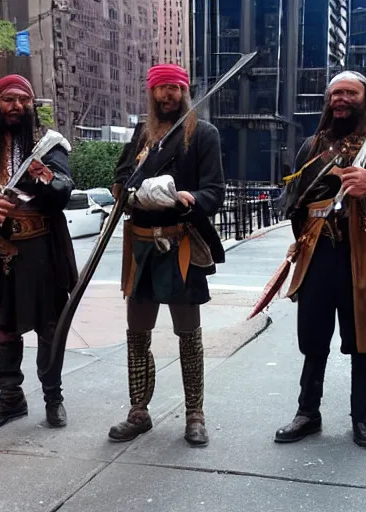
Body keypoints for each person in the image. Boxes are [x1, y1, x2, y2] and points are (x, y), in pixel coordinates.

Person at [276, 71, 366, 448]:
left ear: (364, 99)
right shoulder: (312, 145)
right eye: (335, 93)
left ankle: (361, 420)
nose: (341, 99)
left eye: (350, 92)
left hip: (359, 251)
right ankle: (307, 413)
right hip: (317, 252)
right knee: (313, 338)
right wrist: (303, 232)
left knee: (362, 340)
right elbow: (291, 200)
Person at [108, 63, 225, 447]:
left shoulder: (203, 134)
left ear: (184, 91)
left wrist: (192, 199)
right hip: (141, 246)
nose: (168, 95)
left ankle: (195, 414)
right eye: (161, 89)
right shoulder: (143, 136)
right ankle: (138, 412)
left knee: (188, 334)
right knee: (136, 333)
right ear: (152, 93)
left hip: (180, 243)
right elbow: (122, 177)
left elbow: (215, 192)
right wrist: (124, 192)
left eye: (175, 88)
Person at [0, 75, 77, 428]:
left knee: (49, 325)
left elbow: (63, 189)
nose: (17, 106)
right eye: (9, 100)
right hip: (2, 249)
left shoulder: (49, 144)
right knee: (6, 324)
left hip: (43, 248)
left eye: (23, 100)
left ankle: (52, 398)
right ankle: (10, 397)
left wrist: (38, 178)